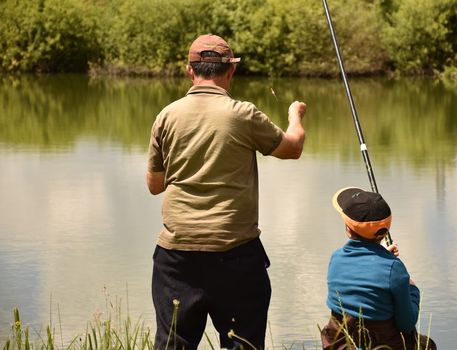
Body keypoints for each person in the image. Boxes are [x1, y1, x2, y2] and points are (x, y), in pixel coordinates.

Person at [146, 34, 307, 350]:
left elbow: (155, 185)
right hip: (236, 254)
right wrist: (295, 116)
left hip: (176, 257)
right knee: (242, 344)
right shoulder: (243, 114)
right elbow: (293, 148)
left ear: (190, 70)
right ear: (230, 71)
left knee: (172, 345)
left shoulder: (166, 115)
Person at [321, 187, 436, 350]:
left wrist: (382, 256)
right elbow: (406, 323)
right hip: (382, 345)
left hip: (342, 345)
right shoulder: (394, 269)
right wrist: (412, 287)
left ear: (348, 229)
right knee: (428, 345)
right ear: (385, 230)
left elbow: (361, 274)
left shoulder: (336, 258)